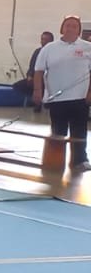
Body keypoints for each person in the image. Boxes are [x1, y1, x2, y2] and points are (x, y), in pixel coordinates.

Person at [32, 15, 91, 172]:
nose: (70, 28)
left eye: (74, 26)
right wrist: (37, 91)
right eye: (67, 25)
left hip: (80, 98)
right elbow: (38, 71)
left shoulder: (87, 47)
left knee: (79, 130)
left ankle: (80, 160)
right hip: (57, 98)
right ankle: (56, 159)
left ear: (79, 29)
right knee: (58, 131)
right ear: (61, 28)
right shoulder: (49, 48)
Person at [15, 30, 54, 109]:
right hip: (36, 78)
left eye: (46, 40)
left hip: (48, 79)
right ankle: (35, 100)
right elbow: (32, 66)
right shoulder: (37, 51)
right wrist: (29, 76)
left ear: (51, 41)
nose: (43, 41)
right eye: (42, 39)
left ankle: (43, 101)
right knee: (18, 85)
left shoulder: (54, 53)